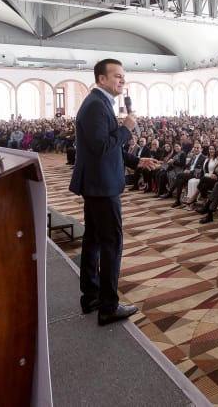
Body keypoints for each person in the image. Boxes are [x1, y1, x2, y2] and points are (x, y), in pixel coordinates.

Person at [69, 59, 158, 326]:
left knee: (94, 240)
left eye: (123, 77)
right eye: (117, 76)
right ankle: (108, 305)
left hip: (98, 182)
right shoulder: (97, 104)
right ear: (102, 79)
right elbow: (101, 146)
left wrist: (135, 161)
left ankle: (91, 295)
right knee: (111, 243)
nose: (122, 81)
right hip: (102, 185)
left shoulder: (99, 102)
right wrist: (126, 129)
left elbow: (107, 147)